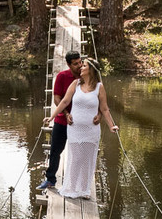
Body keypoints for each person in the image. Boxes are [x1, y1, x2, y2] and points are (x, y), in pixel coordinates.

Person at [42, 58, 118, 200]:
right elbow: (64, 101)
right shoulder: (75, 84)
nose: (81, 68)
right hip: (75, 129)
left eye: (84, 66)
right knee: (76, 158)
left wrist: (111, 125)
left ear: (91, 70)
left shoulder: (99, 87)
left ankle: (84, 190)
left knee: (88, 159)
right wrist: (51, 117)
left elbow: (104, 108)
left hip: (91, 130)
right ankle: (71, 188)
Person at [37, 51, 83, 191]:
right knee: (55, 150)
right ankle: (50, 180)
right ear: (69, 65)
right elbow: (57, 98)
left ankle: (77, 183)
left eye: (80, 62)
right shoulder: (62, 76)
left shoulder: (86, 76)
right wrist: (65, 113)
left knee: (79, 153)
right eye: (75, 64)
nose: (79, 66)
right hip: (62, 120)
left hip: (80, 122)